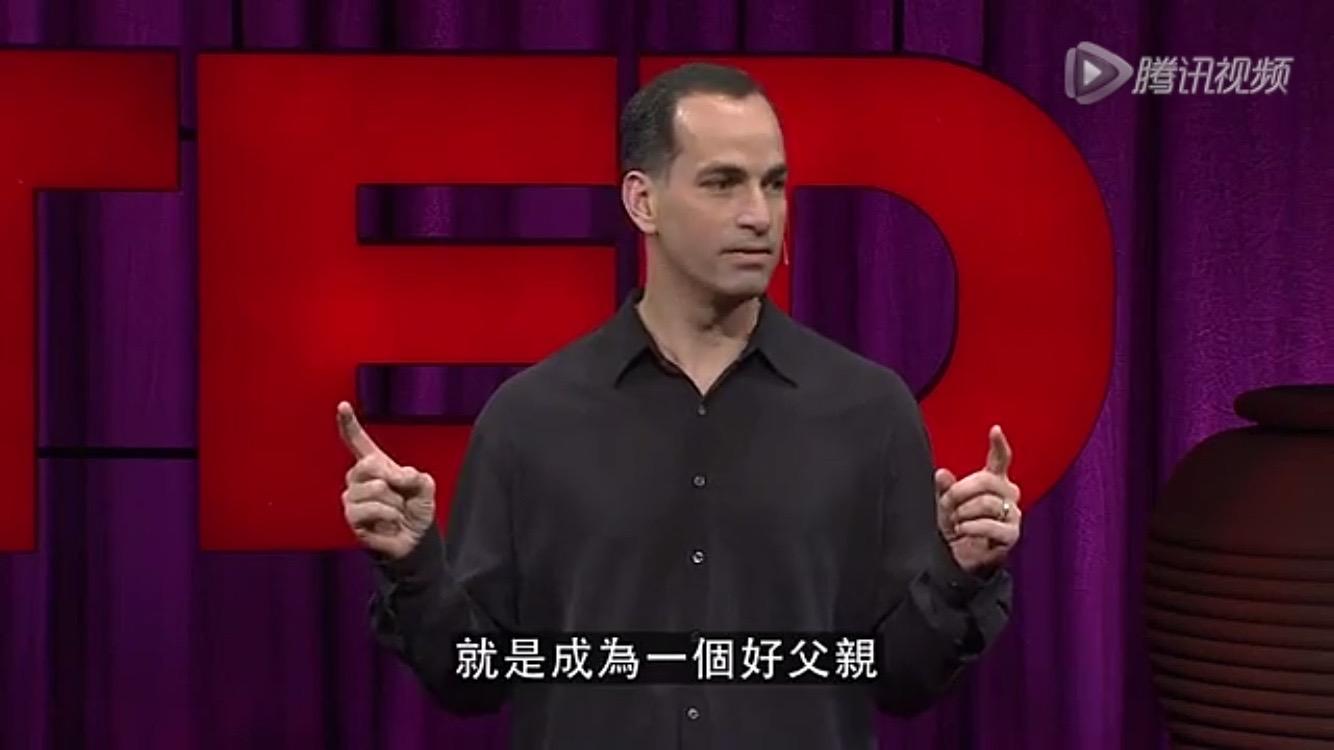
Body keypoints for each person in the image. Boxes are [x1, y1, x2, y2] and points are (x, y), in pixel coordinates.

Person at [338, 62, 1021, 749]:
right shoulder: (529, 420)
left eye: (773, 184)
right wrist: (414, 562)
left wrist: (958, 571)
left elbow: (902, 679)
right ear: (643, 201)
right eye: (723, 183)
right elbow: (472, 680)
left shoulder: (868, 411)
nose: (759, 215)